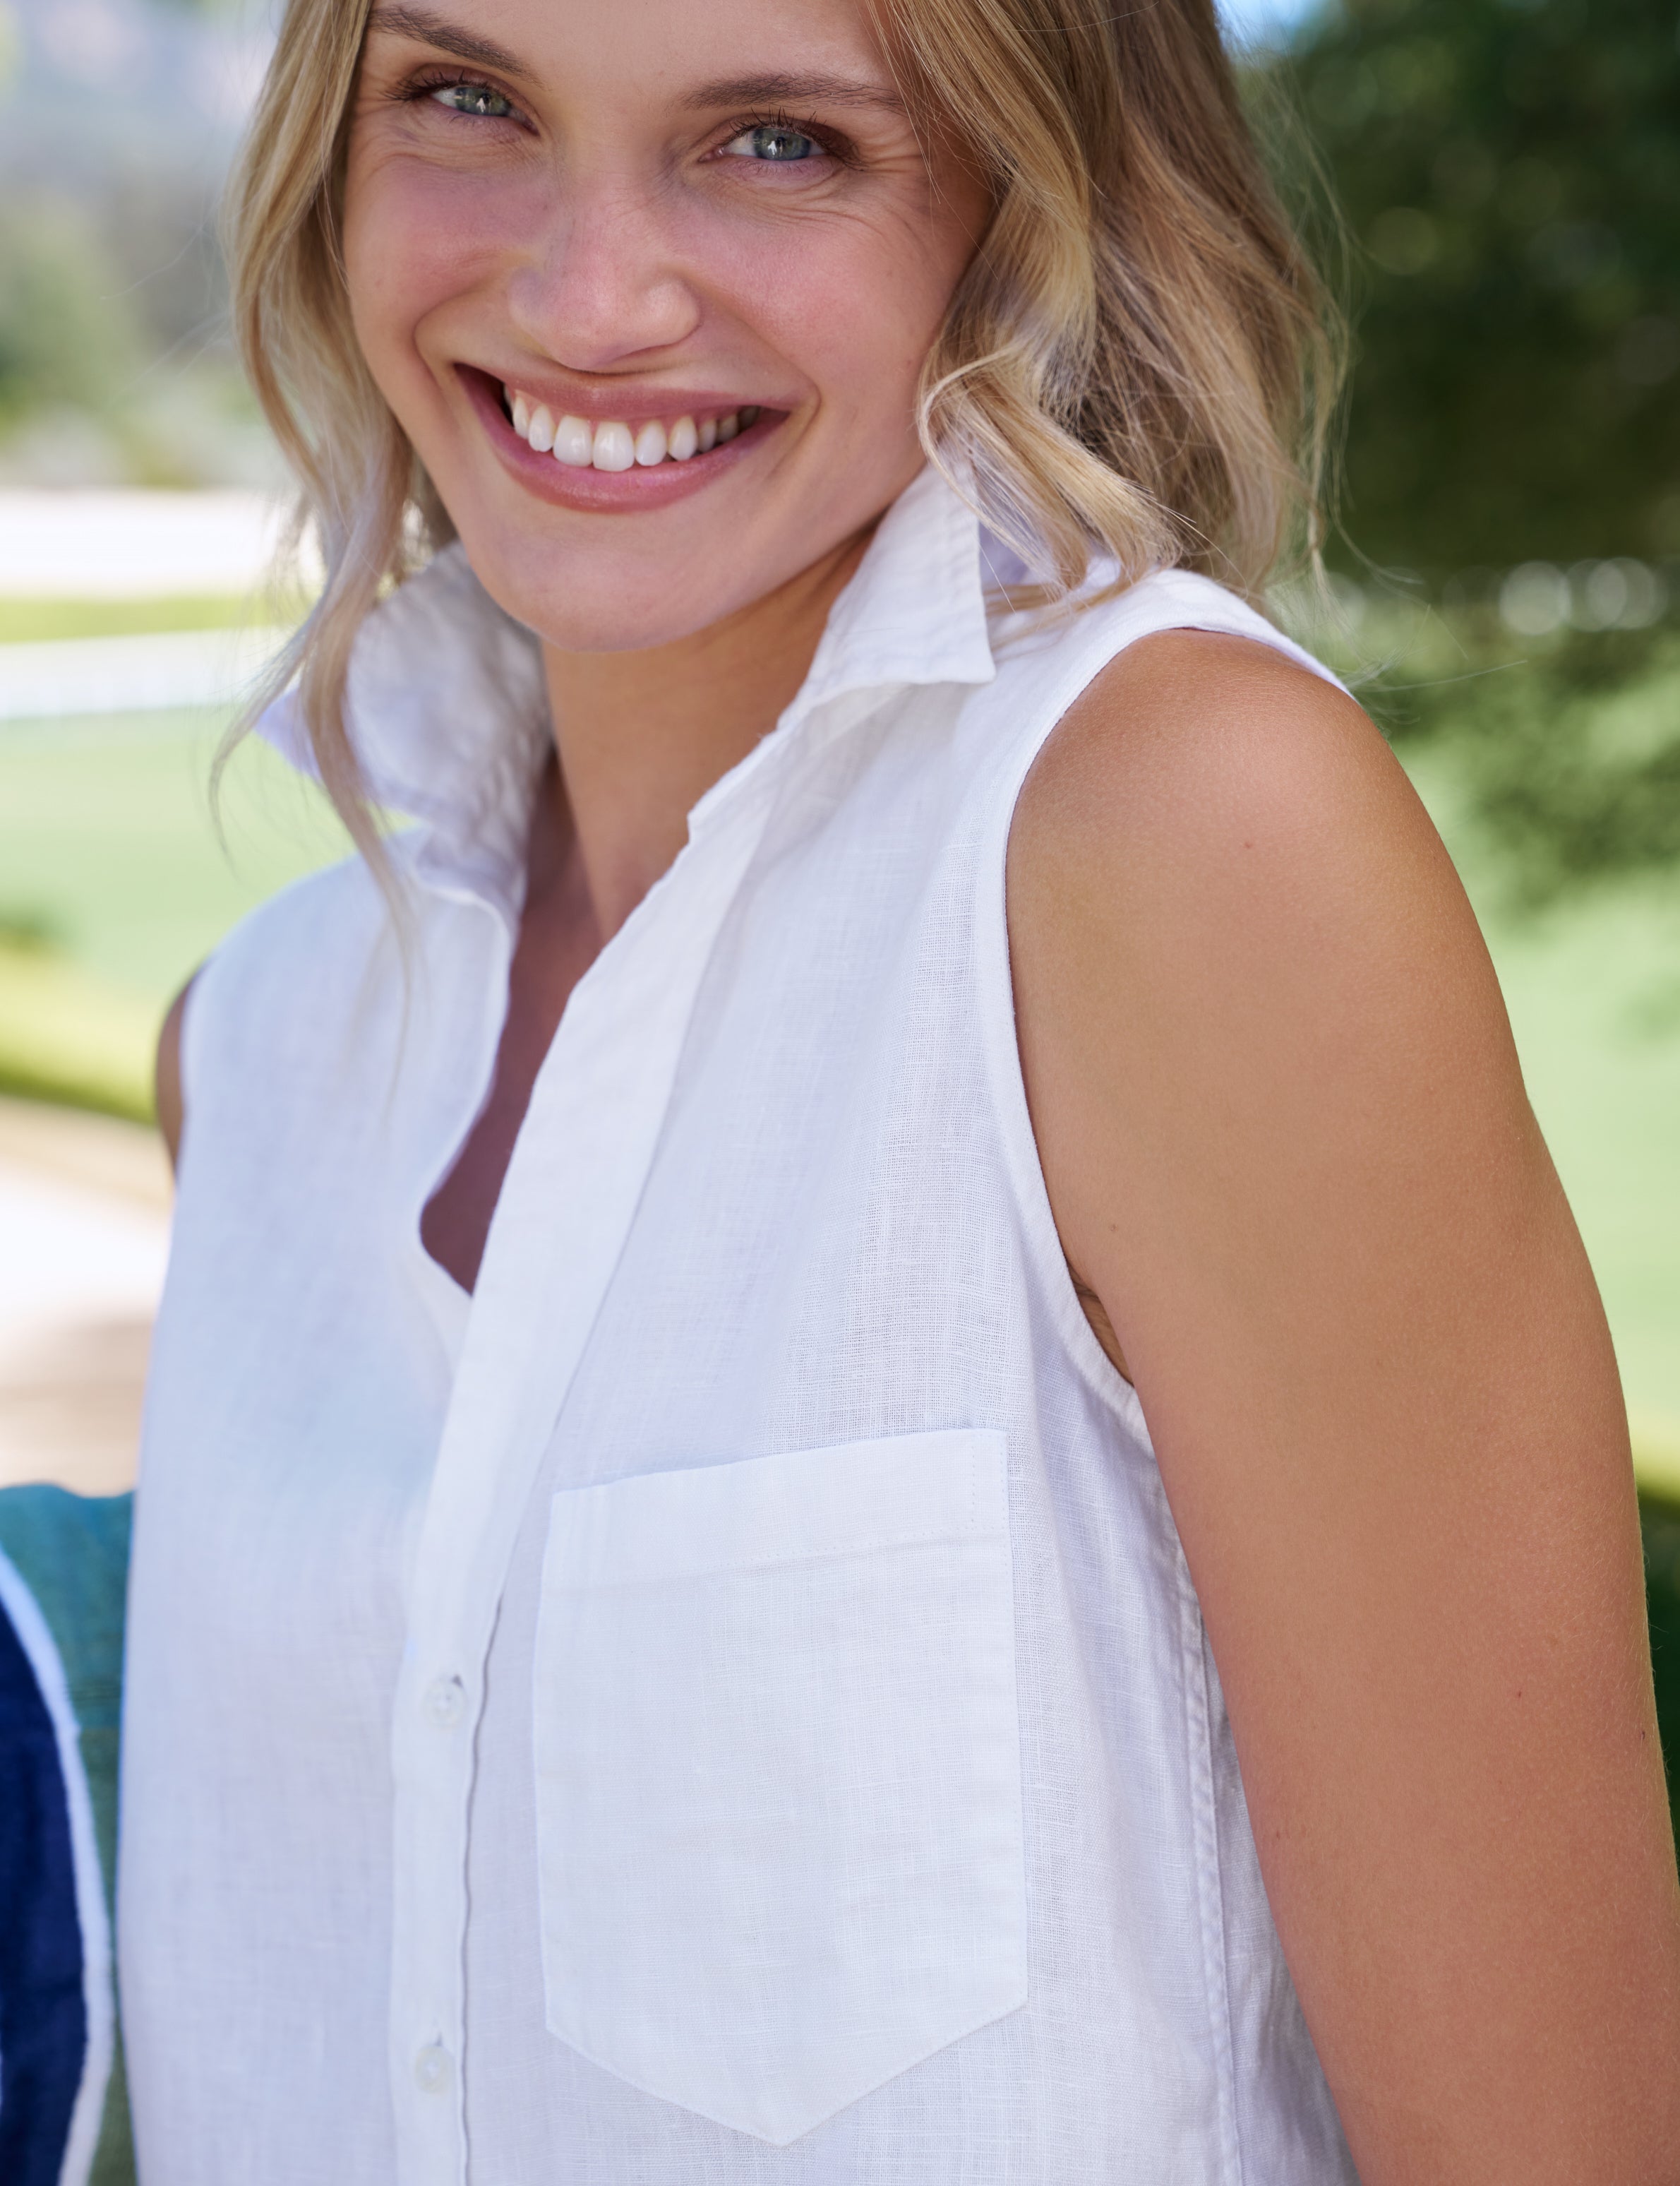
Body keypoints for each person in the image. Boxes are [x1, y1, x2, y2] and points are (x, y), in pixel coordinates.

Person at [119, 0, 1680, 2178]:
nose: (588, 295)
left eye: (774, 142)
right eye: (465, 98)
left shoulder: (1178, 857)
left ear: (1025, 206)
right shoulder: (263, 1053)